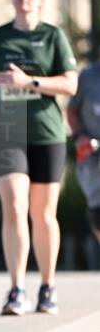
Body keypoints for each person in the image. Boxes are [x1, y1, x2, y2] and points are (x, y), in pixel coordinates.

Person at [0, 0, 78, 315]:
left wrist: (28, 81)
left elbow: (70, 84)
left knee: (43, 215)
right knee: (15, 206)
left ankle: (48, 286)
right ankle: (17, 288)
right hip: (7, 133)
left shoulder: (53, 36)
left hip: (48, 133)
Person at [67, 57, 100, 243]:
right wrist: (80, 135)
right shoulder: (86, 77)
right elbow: (71, 111)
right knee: (98, 213)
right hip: (92, 155)